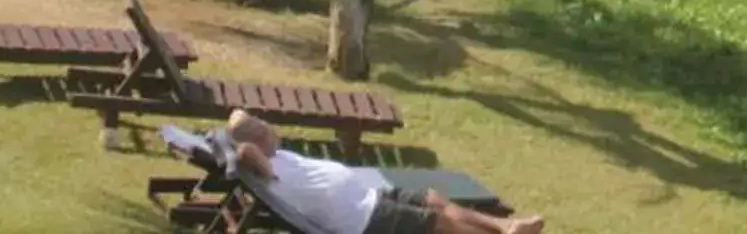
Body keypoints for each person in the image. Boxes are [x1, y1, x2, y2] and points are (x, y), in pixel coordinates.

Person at [223, 112, 542, 234]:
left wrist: (255, 131)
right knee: (438, 224)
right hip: (362, 219)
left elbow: (244, 134)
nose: (274, 131)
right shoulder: (263, 166)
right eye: (266, 129)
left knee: (434, 200)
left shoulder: (276, 155)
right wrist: (251, 137)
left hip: (370, 195)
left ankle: (506, 226)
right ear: (258, 140)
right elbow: (243, 150)